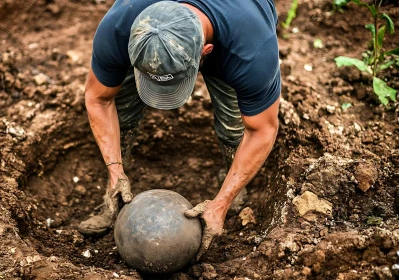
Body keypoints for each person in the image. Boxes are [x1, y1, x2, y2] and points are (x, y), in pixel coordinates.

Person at [79, 0, 281, 260]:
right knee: (121, 106)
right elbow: (98, 98)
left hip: (234, 34)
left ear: (205, 52)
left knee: (235, 126)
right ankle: (113, 190)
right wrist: (114, 169)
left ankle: (233, 189)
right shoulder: (121, 25)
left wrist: (221, 203)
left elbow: (262, 130)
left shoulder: (251, 51)